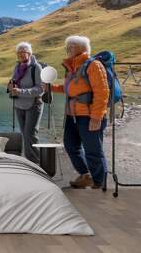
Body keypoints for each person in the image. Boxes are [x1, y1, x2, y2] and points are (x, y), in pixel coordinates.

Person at [50, 35, 109, 189]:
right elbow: (68, 89)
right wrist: (51, 88)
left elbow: (102, 92)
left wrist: (96, 117)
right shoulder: (71, 68)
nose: (68, 49)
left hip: (89, 116)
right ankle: (86, 174)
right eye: (67, 46)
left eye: (72, 46)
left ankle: (99, 183)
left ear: (83, 49)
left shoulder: (94, 65)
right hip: (72, 115)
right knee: (70, 146)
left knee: (93, 150)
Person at [8, 42, 44, 164]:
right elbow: (14, 81)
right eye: (19, 53)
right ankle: (29, 160)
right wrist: (10, 87)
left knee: (30, 134)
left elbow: (40, 89)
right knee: (24, 134)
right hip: (19, 105)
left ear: (29, 53)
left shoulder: (36, 67)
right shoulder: (17, 67)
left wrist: (20, 91)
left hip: (33, 105)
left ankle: (35, 163)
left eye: (24, 52)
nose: (21, 55)